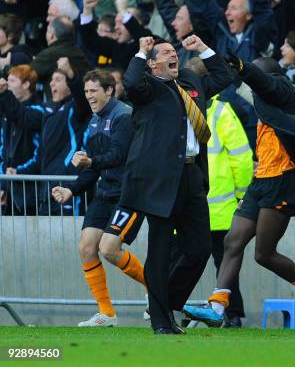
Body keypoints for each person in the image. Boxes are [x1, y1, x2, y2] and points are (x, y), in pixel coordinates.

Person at [182, 56, 295, 327]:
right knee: (232, 242)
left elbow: (262, 82)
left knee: (264, 254)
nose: (251, 83)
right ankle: (217, 306)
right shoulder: (265, 102)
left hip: (284, 180)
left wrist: (244, 68)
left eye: (256, 77)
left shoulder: (286, 94)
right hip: (260, 180)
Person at [115, 35, 234, 334]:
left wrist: (203, 49)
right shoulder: (147, 88)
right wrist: (140, 51)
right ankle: (160, 321)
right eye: (165, 53)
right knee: (160, 248)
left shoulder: (192, 80)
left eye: (175, 51)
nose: (174, 55)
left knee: (200, 247)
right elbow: (129, 84)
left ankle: (165, 301)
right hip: (160, 178)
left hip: (192, 176)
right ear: (154, 63)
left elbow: (223, 75)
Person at [50, 69, 143, 327]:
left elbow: (117, 156)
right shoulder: (93, 121)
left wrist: (91, 160)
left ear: (109, 90)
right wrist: (72, 190)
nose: (89, 96)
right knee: (86, 248)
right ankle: (107, 313)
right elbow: (93, 167)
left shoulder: (123, 116)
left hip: (128, 194)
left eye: (94, 91)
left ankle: (158, 291)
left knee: (109, 249)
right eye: (87, 92)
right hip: (105, 193)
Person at [11, 58, 91, 215]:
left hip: (68, 189)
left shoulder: (76, 109)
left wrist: (70, 73)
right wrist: (18, 172)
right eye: (51, 80)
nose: (52, 84)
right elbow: (41, 156)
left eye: (58, 80)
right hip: (46, 192)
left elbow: (82, 98)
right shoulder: (50, 113)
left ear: (69, 86)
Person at [205, 93, 253, 327]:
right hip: (220, 206)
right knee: (224, 263)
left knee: (181, 261)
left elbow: (242, 158)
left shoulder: (177, 105)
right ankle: (231, 315)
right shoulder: (221, 111)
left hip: (195, 207)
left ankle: (170, 311)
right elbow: (242, 158)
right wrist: (242, 195)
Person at [0, 66, 43, 215]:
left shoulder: (39, 110)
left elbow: (21, 115)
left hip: (31, 189)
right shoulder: (7, 111)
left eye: (12, 80)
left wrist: (19, 172)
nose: (7, 83)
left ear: (26, 85)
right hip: (10, 187)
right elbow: (3, 150)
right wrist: (3, 184)